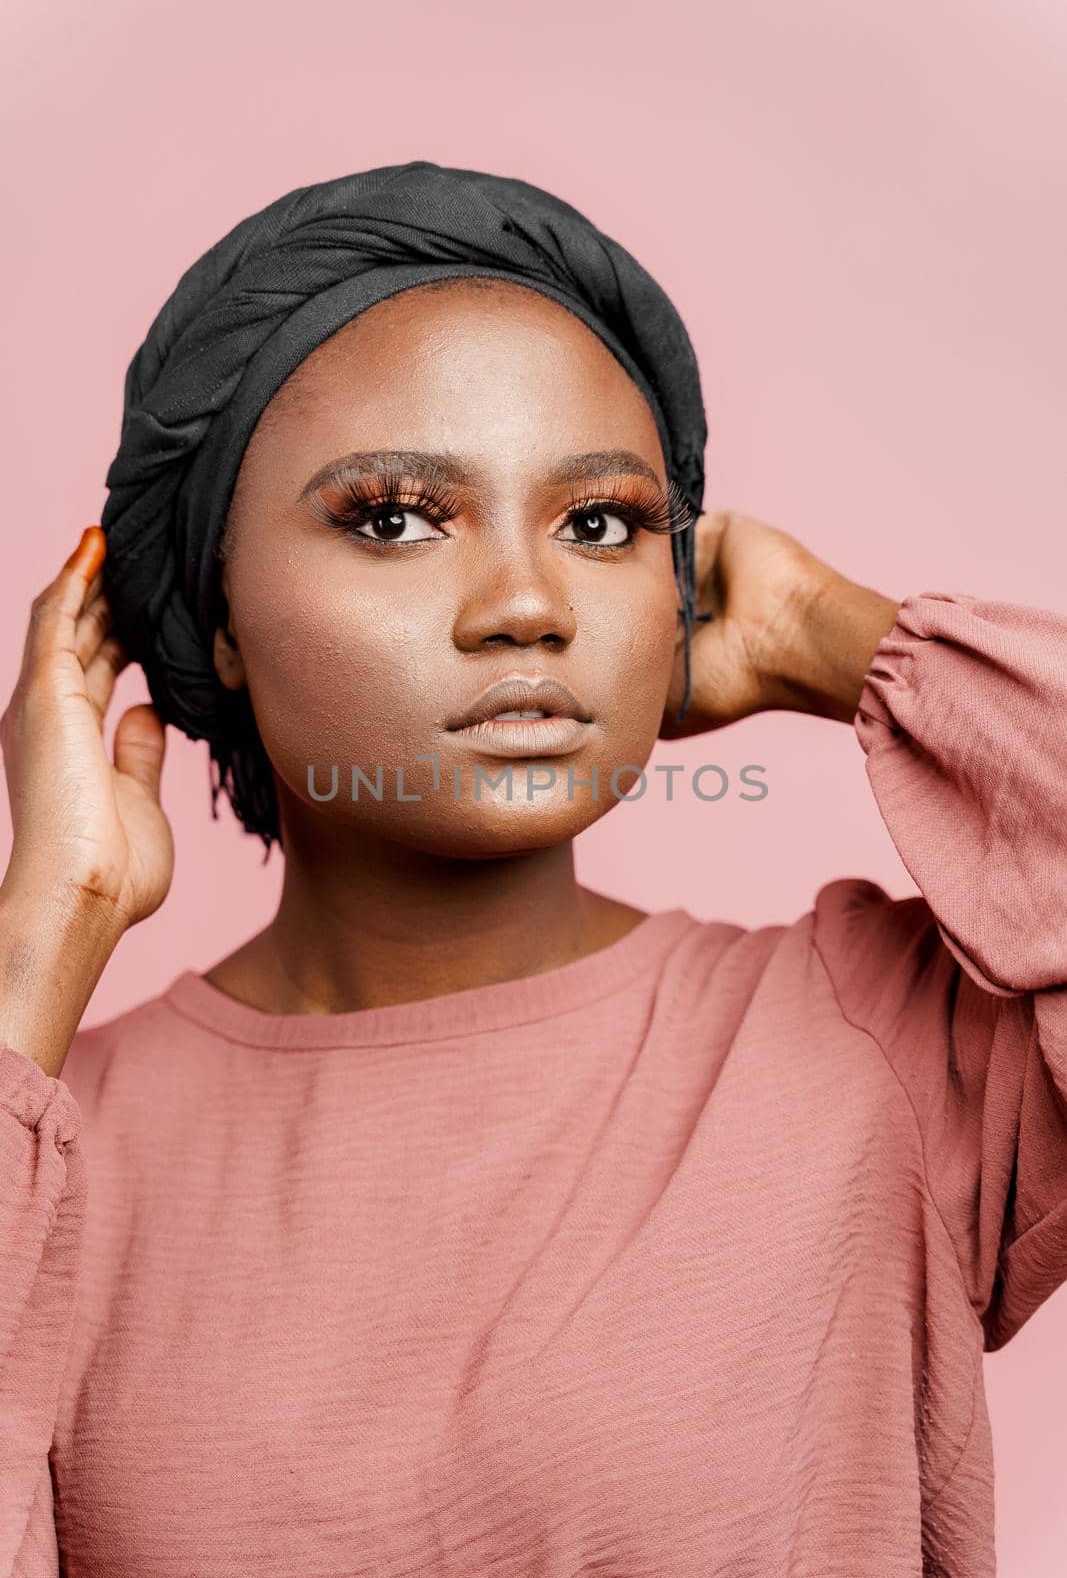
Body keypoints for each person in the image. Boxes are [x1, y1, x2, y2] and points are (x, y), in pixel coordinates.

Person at [1, 164, 1065, 1578]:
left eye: (604, 523)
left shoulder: (877, 1052)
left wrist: (835, 635)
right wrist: (37, 950)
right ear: (220, 614)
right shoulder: (62, 1157)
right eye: (392, 518)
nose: (527, 606)